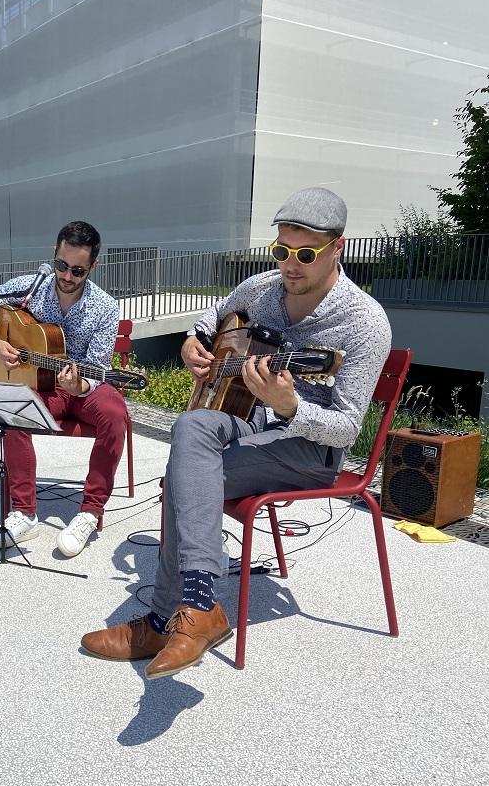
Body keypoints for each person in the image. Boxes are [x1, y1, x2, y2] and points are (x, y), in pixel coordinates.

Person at [81, 187, 392, 677]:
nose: (290, 266)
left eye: (305, 254)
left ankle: (168, 615)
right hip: (250, 421)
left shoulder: (364, 323)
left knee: (185, 480)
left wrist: (291, 407)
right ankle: (200, 605)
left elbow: (346, 427)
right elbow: (212, 318)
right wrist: (192, 343)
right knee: (191, 424)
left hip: (310, 448)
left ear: (338, 247)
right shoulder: (263, 288)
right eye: (282, 250)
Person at [0, 220, 129, 557]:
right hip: (43, 385)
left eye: (77, 270)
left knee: (116, 414)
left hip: (84, 386)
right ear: (53, 256)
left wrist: (80, 383)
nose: (67, 276)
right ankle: (24, 512)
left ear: (93, 266)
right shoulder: (33, 286)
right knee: (14, 411)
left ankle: (90, 512)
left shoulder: (105, 306)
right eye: (61, 265)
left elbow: (98, 367)